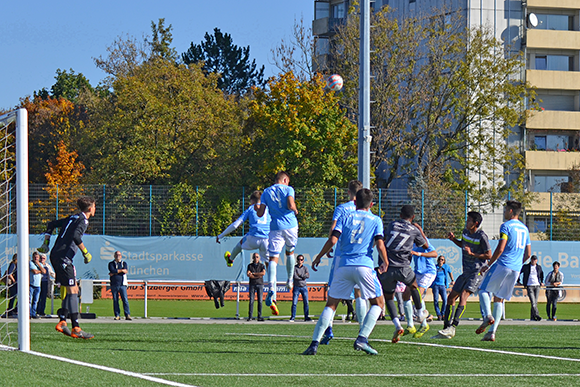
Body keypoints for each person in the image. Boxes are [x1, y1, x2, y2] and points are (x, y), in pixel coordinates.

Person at [302, 189, 388, 355]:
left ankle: (314, 344)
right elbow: (380, 244)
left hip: (343, 267)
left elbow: (333, 239)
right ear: (371, 204)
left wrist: (319, 257)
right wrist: (385, 261)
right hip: (364, 266)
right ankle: (362, 339)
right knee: (378, 303)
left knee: (331, 305)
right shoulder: (376, 220)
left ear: (355, 202)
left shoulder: (345, 217)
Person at [38, 196, 96, 339]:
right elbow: (76, 236)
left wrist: (47, 242)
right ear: (90, 208)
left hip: (57, 256)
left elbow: (51, 224)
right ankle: (76, 327)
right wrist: (86, 252)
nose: (95, 209)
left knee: (73, 289)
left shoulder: (73, 217)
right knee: (73, 290)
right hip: (63, 258)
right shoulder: (83, 220)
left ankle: (63, 321)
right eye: (94, 206)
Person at [476, 200, 531, 341]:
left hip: (503, 264)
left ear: (511, 211)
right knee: (499, 299)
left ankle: (487, 316)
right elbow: (528, 254)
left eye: (506, 210)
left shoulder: (506, 226)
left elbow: (501, 248)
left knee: (483, 289)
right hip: (516, 269)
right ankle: (491, 333)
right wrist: (518, 264)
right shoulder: (525, 229)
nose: (504, 212)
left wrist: (488, 264)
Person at [319, 180, 365, 345]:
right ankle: (362, 331)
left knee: (333, 295)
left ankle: (328, 330)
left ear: (348, 192)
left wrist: (329, 246)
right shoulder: (366, 210)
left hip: (342, 256)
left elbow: (333, 228)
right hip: (361, 257)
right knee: (359, 294)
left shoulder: (342, 209)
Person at [434, 211, 491, 339]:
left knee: (463, 296)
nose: (466, 222)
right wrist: (453, 239)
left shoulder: (482, 236)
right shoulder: (465, 233)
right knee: (451, 298)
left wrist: (473, 254)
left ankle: (453, 327)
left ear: (475, 223)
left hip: (477, 272)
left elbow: (489, 255)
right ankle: (445, 329)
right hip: (465, 272)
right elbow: (463, 245)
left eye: (469, 220)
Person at [379, 205, 430, 344]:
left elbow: (382, 238)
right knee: (414, 286)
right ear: (413, 217)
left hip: (387, 266)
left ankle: (397, 325)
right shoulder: (414, 229)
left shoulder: (392, 224)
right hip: (403, 266)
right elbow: (425, 246)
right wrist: (419, 230)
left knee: (389, 297)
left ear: (400, 215)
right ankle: (420, 313)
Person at [255, 171, 299, 316]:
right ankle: (289, 280)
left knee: (273, 258)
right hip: (290, 226)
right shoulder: (288, 189)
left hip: (275, 228)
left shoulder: (266, 192)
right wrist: (295, 209)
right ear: (285, 180)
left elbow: (261, 213)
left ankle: (271, 288)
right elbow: (290, 204)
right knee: (290, 252)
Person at [402, 224, 438, 338]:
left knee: (417, 293)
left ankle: (423, 323)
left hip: (428, 272)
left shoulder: (424, 241)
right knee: (406, 295)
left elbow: (434, 254)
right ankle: (410, 325)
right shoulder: (411, 243)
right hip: (418, 272)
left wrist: (419, 253)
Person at [216, 190, 270, 267]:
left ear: (253, 200)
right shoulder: (268, 209)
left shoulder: (251, 208)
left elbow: (235, 225)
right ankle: (272, 279)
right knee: (268, 264)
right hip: (266, 239)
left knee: (240, 244)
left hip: (253, 238)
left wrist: (221, 235)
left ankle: (230, 259)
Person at [518, 255, 544, 321]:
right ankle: (537, 315)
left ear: (536, 260)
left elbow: (541, 274)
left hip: (537, 285)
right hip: (529, 285)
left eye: (535, 260)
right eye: (532, 259)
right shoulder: (526, 267)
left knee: (535, 302)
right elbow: (518, 272)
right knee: (533, 302)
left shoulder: (538, 267)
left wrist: (541, 281)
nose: (533, 261)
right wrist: (518, 281)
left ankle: (532, 317)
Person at [109, 251, 131, 321]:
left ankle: (127, 315)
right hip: (114, 284)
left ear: (121, 256)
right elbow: (112, 270)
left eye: (119, 255)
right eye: (116, 255)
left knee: (125, 300)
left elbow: (125, 271)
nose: (118, 256)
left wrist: (116, 272)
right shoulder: (111, 263)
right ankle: (117, 315)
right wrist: (120, 271)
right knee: (115, 300)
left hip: (122, 285)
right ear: (114, 256)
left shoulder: (123, 263)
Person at [431, 255, 454, 321]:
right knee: (436, 300)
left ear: (444, 261)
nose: (441, 261)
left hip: (443, 285)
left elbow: (450, 273)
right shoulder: (435, 267)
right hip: (436, 285)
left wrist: (452, 280)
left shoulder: (446, 267)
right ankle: (438, 314)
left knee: (445, 300)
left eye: (442, 260)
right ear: (438, 260)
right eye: (440, 259)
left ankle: (443, 313)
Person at [290, 254, 311, 322]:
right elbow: (295, 276)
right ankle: (293, 317)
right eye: (299, 259)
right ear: (297, 260)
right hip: (296, 287)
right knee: (294, 303)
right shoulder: (294, 268)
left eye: (301, 259)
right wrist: (303, 277)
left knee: (306, 302)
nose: (300, 261)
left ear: (303, 261)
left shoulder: (305, 268)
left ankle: (306, 317)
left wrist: (301, 275)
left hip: (304, 287)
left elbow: (307, 275)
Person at [247, 252, 265, 321]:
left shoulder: (262, 266)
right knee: (251, 300)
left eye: (257, 257)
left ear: (259, 258)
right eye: (254, 257)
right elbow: (249, 274)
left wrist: (254, 274)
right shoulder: (250, 266)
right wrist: (257, 276)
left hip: (260, 284)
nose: (256, 258)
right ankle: (250, 316)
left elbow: (262, 273)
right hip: (252, 284)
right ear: (252, 258)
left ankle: (259, 316)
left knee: (260, 301)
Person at [29, 251, 46, 318]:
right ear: (33, 257)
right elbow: (35, 271)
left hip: (38, 285)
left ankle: (33, 313)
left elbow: (44, 271)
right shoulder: (31, 263)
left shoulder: (40, 264)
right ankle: (29, 314)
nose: (36, 258)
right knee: (30, 300)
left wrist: (38, 264)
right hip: (31, 284)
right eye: (35, 257)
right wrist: (40, 271)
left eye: (37, 257)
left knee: (36, 300)